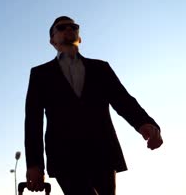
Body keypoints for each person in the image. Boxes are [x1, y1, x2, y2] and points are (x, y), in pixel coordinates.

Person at [24, 16, 163, 195]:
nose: (68, 29)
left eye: (73, 26)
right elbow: (33, 121)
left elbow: (123, 100)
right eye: (61, 27)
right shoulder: (40, 74)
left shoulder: (101, 68)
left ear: (80, 37)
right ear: (52, 41)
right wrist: (34, 164)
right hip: (64, 156)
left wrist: (145, 123)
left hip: (103, 152)